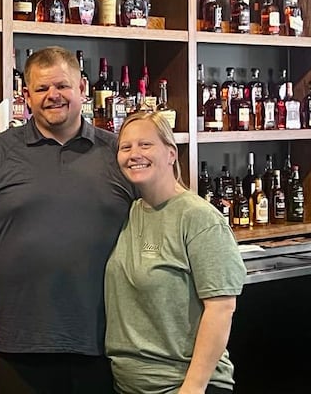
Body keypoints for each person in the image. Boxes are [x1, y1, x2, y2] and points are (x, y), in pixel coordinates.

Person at [0, 46, 136, 394]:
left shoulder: (119, 153)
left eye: (62, 86)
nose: (53, 96)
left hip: (109, 348)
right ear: (26, 97)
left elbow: (160, 227)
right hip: (20, 350)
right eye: (41, 89)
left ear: (82, 88)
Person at [105, 112, 246, 394]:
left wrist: (192, 388)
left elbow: (221, 309)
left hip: (184, 385)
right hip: (130, 385)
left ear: (171, 153)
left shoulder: (199, 218)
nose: (134, 154)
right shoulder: (131, 212)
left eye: (145, 145)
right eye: (126, 147)